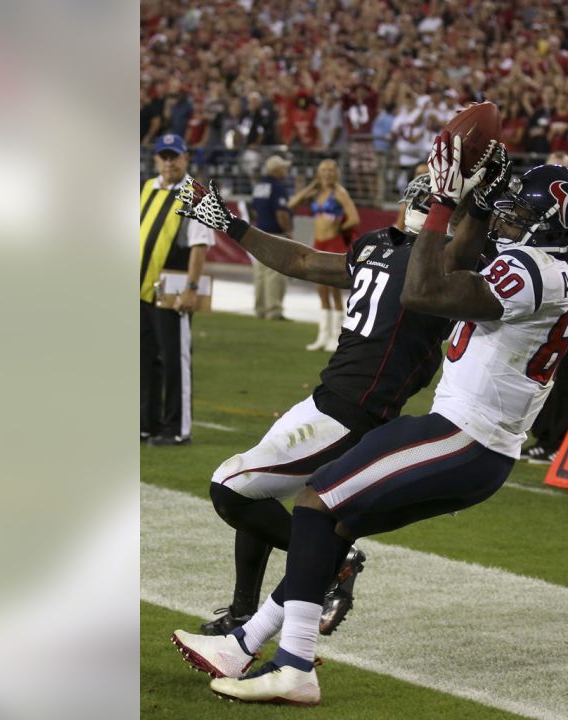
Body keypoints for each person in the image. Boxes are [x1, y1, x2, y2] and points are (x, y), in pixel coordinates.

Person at [173, 135, 568, 707]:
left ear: (554, 227)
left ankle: (294, 666)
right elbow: (330, 262)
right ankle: (244, 641)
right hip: (472, 440)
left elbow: (424, 291)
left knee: (315, 502)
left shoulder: (532, 270)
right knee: (331, 526)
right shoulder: (551, 269)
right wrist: (475, 203)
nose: (511, 217)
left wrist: (452, 201)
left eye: (523, 213)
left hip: (462, 435)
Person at [168, 160, 502, 643]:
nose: (419, 206)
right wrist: (233, 224)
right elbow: (302, 261)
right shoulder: (377, 244)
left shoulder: (448, 264)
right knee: (255, 490)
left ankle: (335, 561)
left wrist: (480, 199)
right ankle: (244, 611)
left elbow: (464, 251)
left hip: (354, 413)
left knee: (229, 487)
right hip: (327, 399)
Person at [140, 133, 216, 447]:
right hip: (141, 289)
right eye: (164, 156)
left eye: (175, 156)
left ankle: (176, 428)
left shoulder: (197, 194)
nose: (169, 162)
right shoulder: (147, 187)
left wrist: (192, 288)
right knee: (143, 359)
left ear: (186, 158)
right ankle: (146, 422)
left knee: (174, 359)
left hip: (173, 289)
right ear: (156, 158)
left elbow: (201, 246)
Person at [522, 151, 568, 462]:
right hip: (549, 281)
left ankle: (556, 438)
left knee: (558, 368)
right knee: (539, 366)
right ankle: (544, 434)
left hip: (560, 283)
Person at [287, 160, 359, 352]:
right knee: (321, 290)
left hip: (333, 244)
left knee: (334, 290)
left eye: (330, 170)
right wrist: (312, 185)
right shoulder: (316, 193)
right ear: (318, 173)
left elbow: (354, 218)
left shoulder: (340, 193)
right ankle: (322, 335)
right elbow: (292, 203)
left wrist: (338, 228)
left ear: (336, 173)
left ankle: (336, 336)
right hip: (318, 245)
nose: (327, 174)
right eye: (323, 170)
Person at [249, 156, 292, 321]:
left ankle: (260, 308)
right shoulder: (277, 187)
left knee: (260, 273)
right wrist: (287, 230)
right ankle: (273, 310)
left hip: (259, 233)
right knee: (275, 273)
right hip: (275, 235)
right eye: (284, 168)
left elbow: (253, 210)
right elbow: (281, 213)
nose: (286, 172)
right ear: (277, 170)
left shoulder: (259, 186)